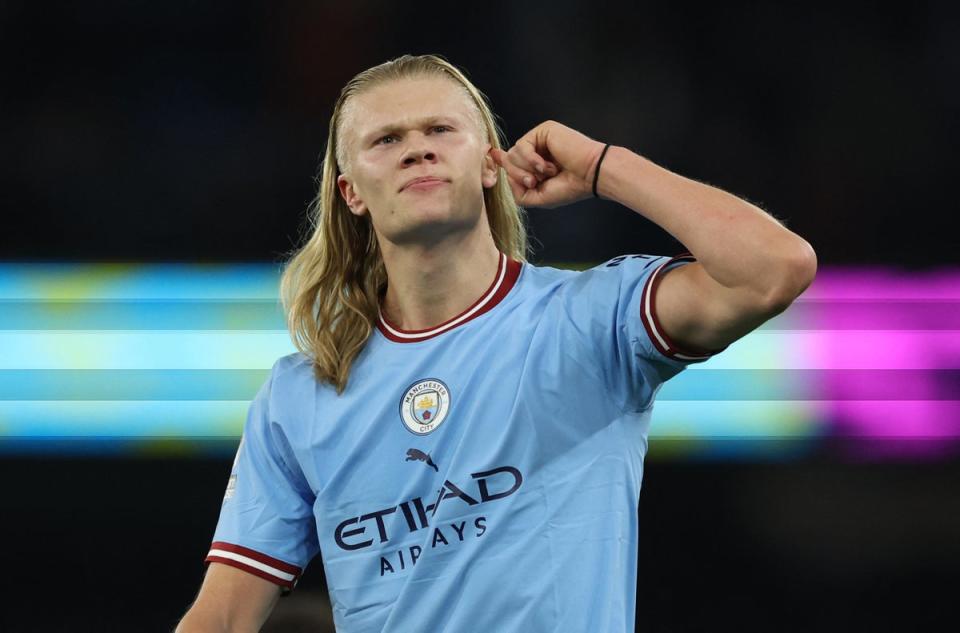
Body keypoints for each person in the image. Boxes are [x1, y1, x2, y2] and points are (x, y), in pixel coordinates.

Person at [176, 54, 816, 632]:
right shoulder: (300, 394)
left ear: (491, 162)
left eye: (441, 131)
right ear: (351, 194)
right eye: (387, 139)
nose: (418, 151)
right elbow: (225, 616)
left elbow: (774, 268)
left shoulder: (591, 319)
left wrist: (601, 166)